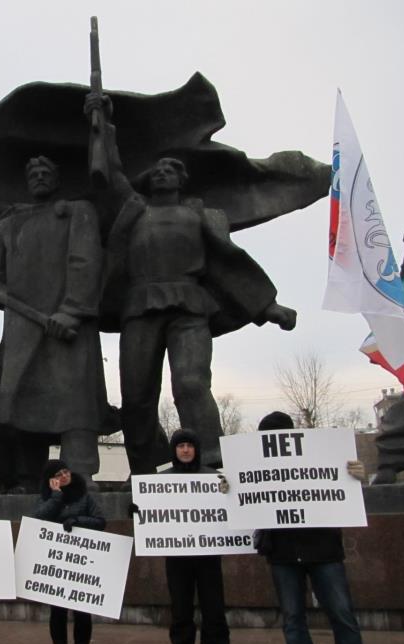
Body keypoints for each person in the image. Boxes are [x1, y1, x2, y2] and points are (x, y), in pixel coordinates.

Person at [85, 93, 297, 475]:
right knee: (137, 395)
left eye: (171, 169)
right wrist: (102, 123)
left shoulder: (200, 215)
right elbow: (112, 172)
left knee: (191, 382)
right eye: (157, 170)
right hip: (140, 306)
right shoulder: (134, 209)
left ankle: (211, 459)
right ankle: (144, 469)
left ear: (182, 180)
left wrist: (267, 306)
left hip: (189, 306)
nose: (162, 172)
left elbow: (227, 262)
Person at [0, 156, 118, 490]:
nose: (39, 177)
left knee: (75, 400)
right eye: (33, 173)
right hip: (22, 326)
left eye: (46, 172)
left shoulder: (78, 211)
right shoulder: (9, 223)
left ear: (57, 179)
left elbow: (86, 261)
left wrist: (72, 309)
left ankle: (80, 472)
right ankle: (29, 477)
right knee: (21, 399)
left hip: (68, 324)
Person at [254, 411, 380, 644]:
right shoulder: (258, 466)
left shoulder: (319, 457)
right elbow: (246, 499)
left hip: (323, 551)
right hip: (284, 553)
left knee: (342, 616)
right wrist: (229, 489)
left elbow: (341, 491)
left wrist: (357, 477)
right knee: (293, 620)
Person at [161, 429, 231, 644]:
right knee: (181, 612)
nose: (185, 450)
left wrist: (228, 492)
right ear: (174, 450)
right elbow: (152, 513)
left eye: (190, 445)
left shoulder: (214, 477)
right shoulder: (161, 480)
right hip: (177, 557)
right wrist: (138, 508)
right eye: (180, 446)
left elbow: (231, 506)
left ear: (197, 449)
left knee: (214, 611)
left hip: (208, 557)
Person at [32, 459, 105, 644]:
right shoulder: (46, 498)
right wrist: (56, 496)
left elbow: (100, 521)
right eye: (58, 474)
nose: (64, 476)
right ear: (51, 480)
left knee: (83, 613)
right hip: (57, 564)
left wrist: (77, 520)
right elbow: (38, 518)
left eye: (66, 471)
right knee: (58, 613)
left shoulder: (84, 496)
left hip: (80, 563)